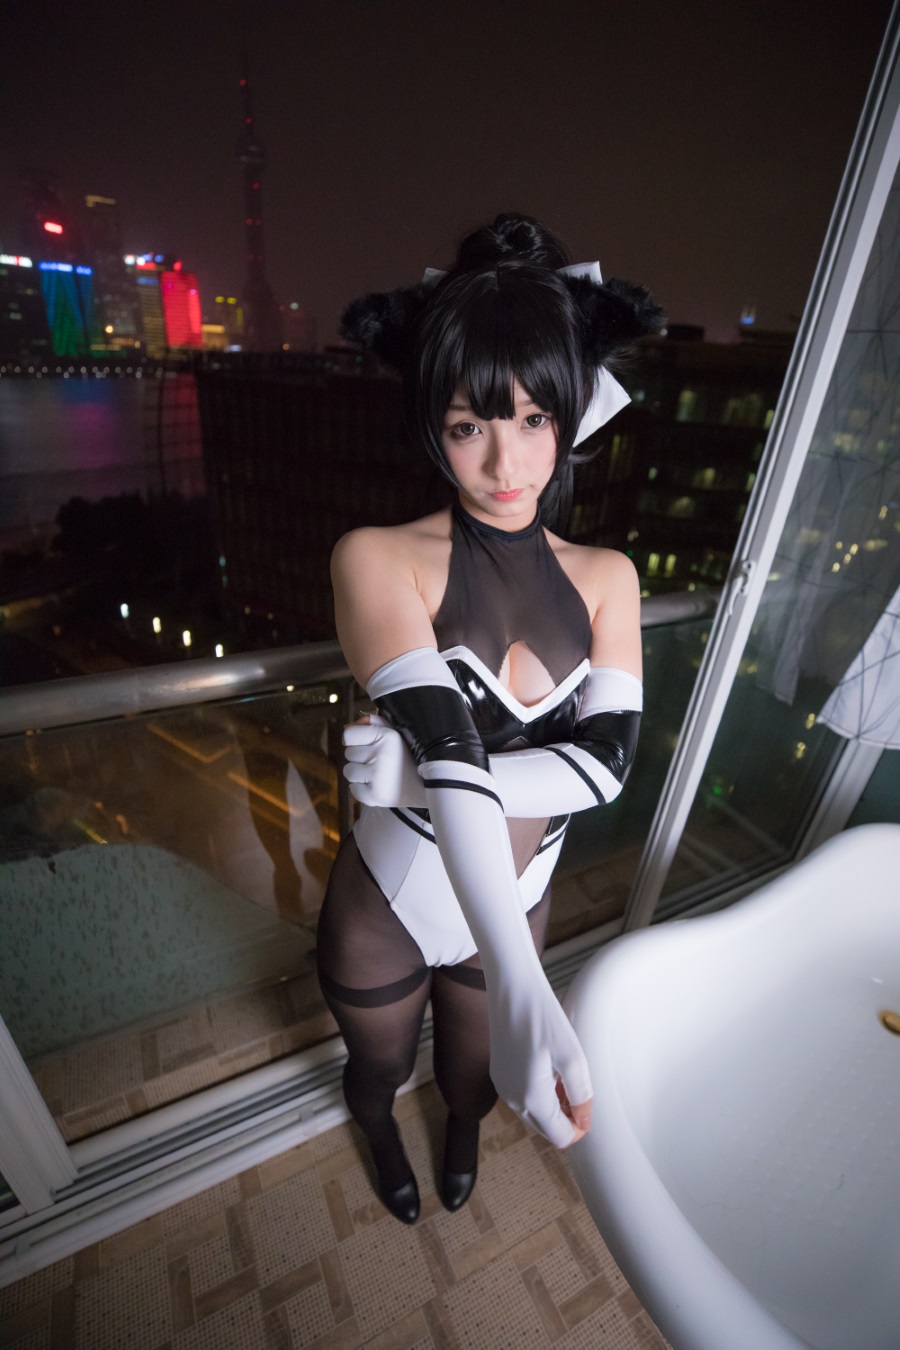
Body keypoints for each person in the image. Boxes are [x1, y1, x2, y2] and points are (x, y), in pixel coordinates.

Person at [317, 213, 663, 1224]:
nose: (507, 464)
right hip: (389, 898)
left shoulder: (609, 577)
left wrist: (415, 778)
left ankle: (458, 1128)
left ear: (571, 415)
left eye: (535, 420)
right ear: (434, 428)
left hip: (520, 887)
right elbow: (463, 746)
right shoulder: (376, 557)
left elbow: (606, 769)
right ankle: (381, 1133)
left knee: (468, 1083)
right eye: (471, 426)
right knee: (377, 1070)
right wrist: (523, 984)